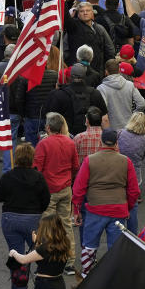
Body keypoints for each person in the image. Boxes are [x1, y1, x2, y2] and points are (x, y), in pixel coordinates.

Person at [72, 128, 140, 277]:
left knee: (89, 246)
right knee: (115, 249)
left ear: (101, 142)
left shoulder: (90, 160)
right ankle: (114, 279)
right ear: (116, 143)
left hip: (95, 210)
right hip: (118, 211)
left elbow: (78, 189)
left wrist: (76, 210)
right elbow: (134, 191)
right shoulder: (126, 162)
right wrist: (127, 207)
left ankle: (86, 276)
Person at [0, 143, 50, 289]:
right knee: (38, 250)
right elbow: (46, 199)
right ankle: (44, 281)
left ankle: (19, 288)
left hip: (10, 218)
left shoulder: (8, 176)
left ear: (16, 158)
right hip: (33, 219)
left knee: (16, 253)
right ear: (32, 158)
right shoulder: (38, 177)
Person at [35, 113, 80, 272]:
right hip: (66, 188)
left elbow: (37, 169)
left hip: (49, 190)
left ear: (48, 127)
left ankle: (47, 258)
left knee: (47, 224)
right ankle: (69, 260)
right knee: (66, 224)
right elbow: (75, 166)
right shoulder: (70, 142)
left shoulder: (43, 144)